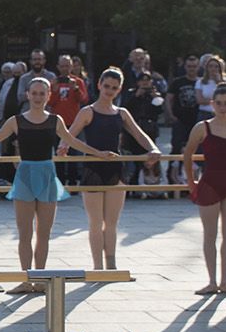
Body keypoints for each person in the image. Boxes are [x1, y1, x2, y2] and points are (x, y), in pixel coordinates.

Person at [0, 78, 117, 294]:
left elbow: (73, 142)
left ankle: (40, 278)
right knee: (24, 233)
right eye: (35, 93)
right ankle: (26, 278)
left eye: (42, 93)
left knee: (44, 233)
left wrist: (99, 154)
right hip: (25, 176)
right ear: (28, 95)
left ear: (49, 96)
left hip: (47, 174)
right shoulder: (16, 121)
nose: (38, 97)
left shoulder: (55, 120)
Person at [66, 68, 161, 269]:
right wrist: (66, 147)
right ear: (99, 85)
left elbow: (139, 134)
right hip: (93, 168)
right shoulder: (87, 111)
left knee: (111, 223)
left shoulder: (122, 113)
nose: (109, 91)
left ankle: (111, 265)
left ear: (119, 90)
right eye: (107, 86)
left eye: (114, 88)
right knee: (95, 222)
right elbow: (68, 137)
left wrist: (153, 148)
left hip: (116, 169)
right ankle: (97, 267)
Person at [183, 84, 226, 296]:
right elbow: (187, 154)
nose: (223, 107)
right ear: (212, 104)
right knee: (209, 235)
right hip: (209, 181)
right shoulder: (202, 127)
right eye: (219, 103)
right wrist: (191, 182)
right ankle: (212, 281)